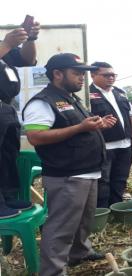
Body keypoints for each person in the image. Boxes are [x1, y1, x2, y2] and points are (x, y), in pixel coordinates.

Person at [23, 53, 117, 275]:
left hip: (87, 171)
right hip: (67, 175)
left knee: (84, 220)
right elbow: (35, 136)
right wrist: (80, 128)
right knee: (60, 228)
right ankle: (53, 270)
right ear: (57, 74)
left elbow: (78, 128)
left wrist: (97, 126)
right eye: (77, 73)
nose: (82, 78)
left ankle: (79, 252)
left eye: (83, 74)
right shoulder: (43, 102)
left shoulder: (70, 98)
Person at [0, 20, 40, 218]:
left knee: (7, 154)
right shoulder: (3, 45)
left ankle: (7, 197)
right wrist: (6, 44)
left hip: (6, 107)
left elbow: (27, 60)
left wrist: (30, 38)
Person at [89, 62, 132, 208]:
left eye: (113, 75)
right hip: (104, 145)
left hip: (125, 144)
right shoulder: (87, 94)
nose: (111, 78)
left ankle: (116, 207)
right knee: (103, 180)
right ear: (93, 75)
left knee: (121, 178)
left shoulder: (119, 92)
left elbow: (131, 116)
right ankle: (102, 210)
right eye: (106, 75)